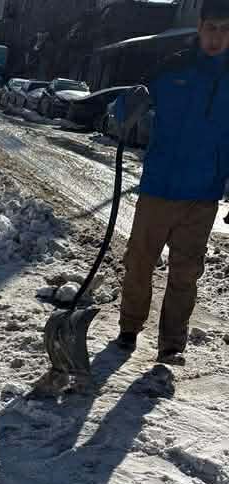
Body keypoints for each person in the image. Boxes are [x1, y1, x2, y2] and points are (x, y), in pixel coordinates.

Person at [115, 0, 229, 365]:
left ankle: (171, 345)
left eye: (225, 29)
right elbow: (128, 105)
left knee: (185, 273)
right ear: (199, 29)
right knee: (139, 261)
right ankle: (129, 328)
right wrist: (127, 106)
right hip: (158, 187)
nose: (217, 37)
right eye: (211, 27)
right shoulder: (172, 66)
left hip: (203, 195)